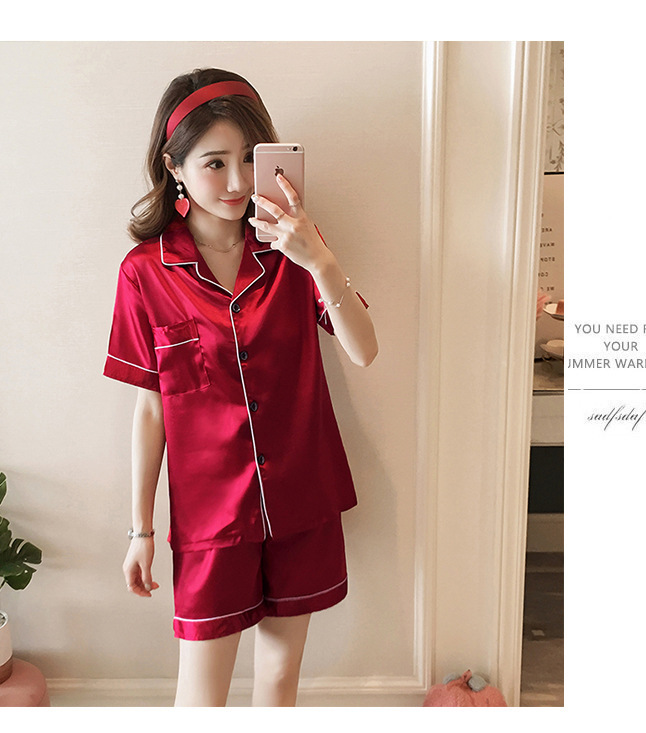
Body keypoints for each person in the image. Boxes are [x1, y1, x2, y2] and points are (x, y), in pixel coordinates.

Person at [103, 68, 378, 707]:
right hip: (211, 520)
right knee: (201, 698)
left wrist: (319, 260)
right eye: (215, 162)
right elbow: (151, 411)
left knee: (280, 681)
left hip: (301, 499)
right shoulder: (145, 273)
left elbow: (364, 351)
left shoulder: (294, 249)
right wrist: (141, 530)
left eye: (251, 159)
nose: (237, 182)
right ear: (174, 167)